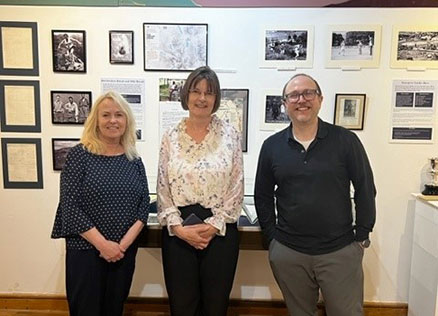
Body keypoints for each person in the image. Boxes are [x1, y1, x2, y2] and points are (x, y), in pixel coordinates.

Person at [254, 73, 376, 316]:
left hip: (339, 251)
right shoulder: (272, 147)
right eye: (294, 95)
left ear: (320, 99)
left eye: (308, 93)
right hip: (290, 253)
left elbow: (365, 187)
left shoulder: (346, 141)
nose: (302, 100)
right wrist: (272, 239)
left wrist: (362, 235)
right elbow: (263, 195)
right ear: (284, 103)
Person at [51, 91, 150, 316]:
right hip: (86, 251)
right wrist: (104, 245)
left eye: (119, 115)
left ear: (127, 121)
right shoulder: (80, 155)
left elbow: (143, 207)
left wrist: (121, 246)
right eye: (106, 115)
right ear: (95, 120)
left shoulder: (134, 160)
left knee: (114, 309)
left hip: (123, 253)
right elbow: (70, 206)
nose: (113, 120)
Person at [157, 66, 244, 316]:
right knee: (182, 305)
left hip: (220, 231)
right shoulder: (170, 136)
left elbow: (237, 185)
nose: (202, 98)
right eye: (196, 91)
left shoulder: (230, 135)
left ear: (216, 99)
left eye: (209, 93)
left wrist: (215, 225)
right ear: (186, 95)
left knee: (215, 305)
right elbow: (163, 186)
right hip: (179, 231)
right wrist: (178, 228)